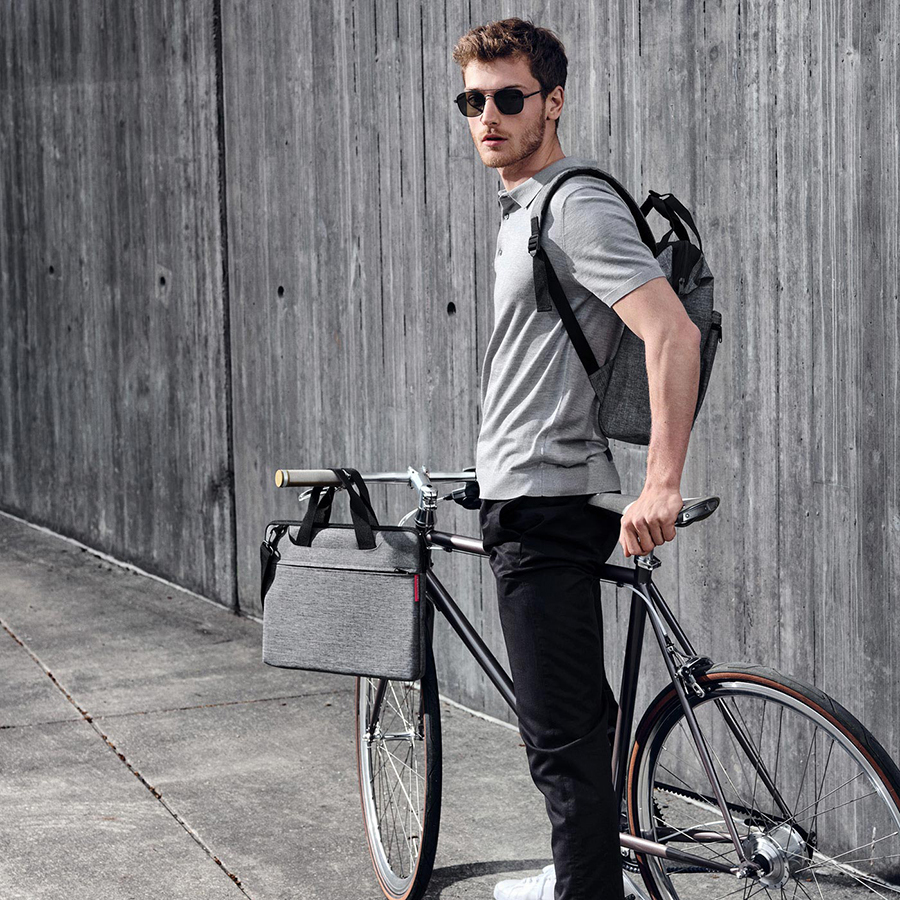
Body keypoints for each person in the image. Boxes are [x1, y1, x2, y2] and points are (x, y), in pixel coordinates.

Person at [451, 18, 702, 900]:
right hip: (524, 486)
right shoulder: (524, 207)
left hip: (546, 503)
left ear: (552, 102)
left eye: (509, 98)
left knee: (559, 746)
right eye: (473, 101)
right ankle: (581, 870)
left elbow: (671, 333)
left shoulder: (573, 205)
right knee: (576, 730)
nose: (489, 116)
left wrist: (661, 482)